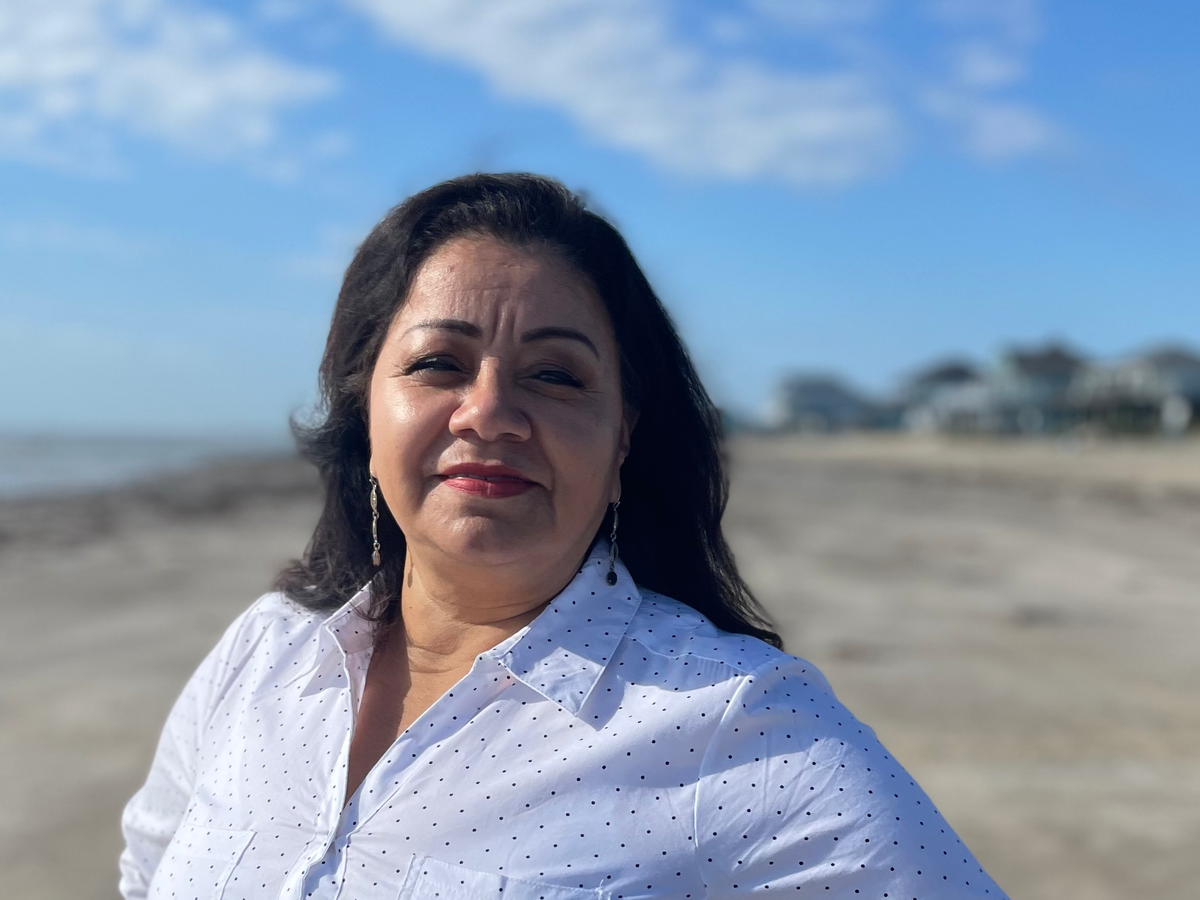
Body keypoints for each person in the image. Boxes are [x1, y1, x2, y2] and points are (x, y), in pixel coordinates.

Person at [119, 173, 1008, 900]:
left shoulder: (737, 726)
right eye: (438, 363)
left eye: (555, 375)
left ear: (623, 437)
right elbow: (144, 874)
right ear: (364, 412)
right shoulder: (265, 654)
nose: (490, 413)